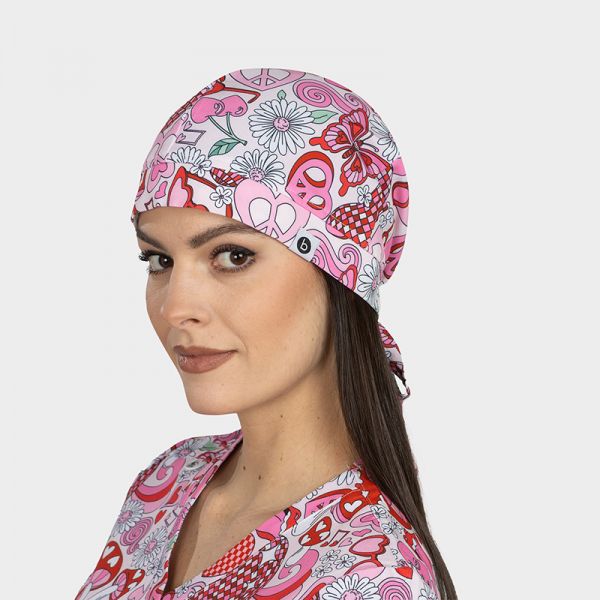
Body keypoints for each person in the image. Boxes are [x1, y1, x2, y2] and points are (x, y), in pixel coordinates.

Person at [75, 67, 457, 599]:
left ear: (341, 275)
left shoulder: (367, 577)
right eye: (159, 260)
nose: (175, 307)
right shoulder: (169, 482)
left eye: (233, 256)